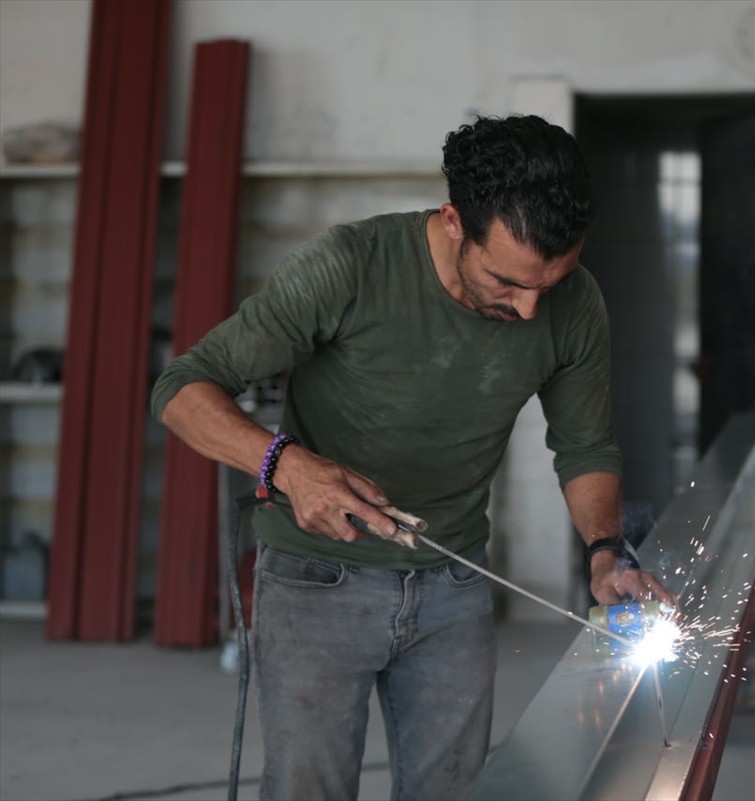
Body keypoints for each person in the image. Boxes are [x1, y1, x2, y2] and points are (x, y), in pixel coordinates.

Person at [150, 114, 674, 801]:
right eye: (507, 282)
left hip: (452, 586)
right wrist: (287, 464)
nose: (527, 309)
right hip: (315, 586)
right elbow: (182, 389)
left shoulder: (573, 306)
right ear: (455, 220)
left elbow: (585, 445)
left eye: (549, 282)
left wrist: (606, 549)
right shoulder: (350, 266)